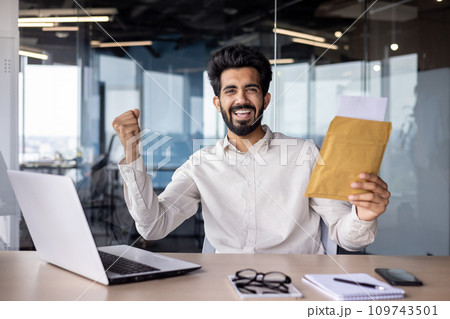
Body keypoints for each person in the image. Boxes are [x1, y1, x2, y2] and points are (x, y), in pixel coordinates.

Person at [112, 44, 390, 254]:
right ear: (217, 102)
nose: (241, 99)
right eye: (230, 91)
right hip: (226, 287)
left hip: (297, 286)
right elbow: (153, 226)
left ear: (265, 99)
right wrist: (132, 154)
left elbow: (347, 236)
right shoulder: (201, 164)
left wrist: (363, 216)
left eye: (251, 89)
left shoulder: (305, 154)